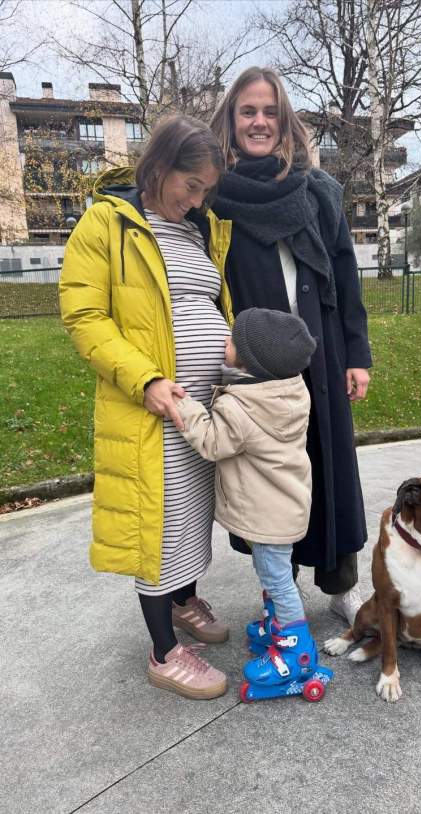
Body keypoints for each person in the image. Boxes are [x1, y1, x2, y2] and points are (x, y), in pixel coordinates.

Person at [59, 114, 235, 700]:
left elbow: (214, 305)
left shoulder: (198, 230)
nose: (198, 199)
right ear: (158, 169)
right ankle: (164, 652)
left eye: (206, 190)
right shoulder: (106, 224)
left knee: (189, 515)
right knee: (155, 527)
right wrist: (148, 380)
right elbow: (84, 317)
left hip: (201, 410)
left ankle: (183, 602)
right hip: (148, 410)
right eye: (191, 186)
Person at [210, 67, 372, 625]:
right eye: (247, 111)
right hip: (255, 367)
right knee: (263, 478)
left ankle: (341, 582)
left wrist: (357, 355)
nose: (259, 122)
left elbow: (347, 280)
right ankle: (279, 588)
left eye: (270, 111)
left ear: (285, 122)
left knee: (329, 468)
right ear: (231, 121)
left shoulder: (319, 192)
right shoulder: (214, 197)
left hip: (321, 356)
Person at [176, 307, 332, 700]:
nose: (223, 344)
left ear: (250, 361)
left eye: (231, 342)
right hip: (285, 505)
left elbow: (212, 442)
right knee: (274, 574)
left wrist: (185, 406)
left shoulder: (242, 407)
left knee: (277, 578)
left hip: (267, 514)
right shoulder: (290, 390)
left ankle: (296, 653)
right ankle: (275, 626)